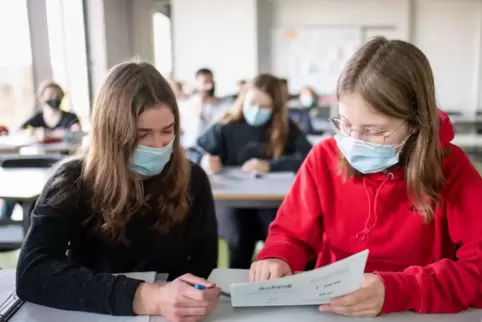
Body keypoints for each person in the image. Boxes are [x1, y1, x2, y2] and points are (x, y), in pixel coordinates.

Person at [249, 36, 482, 317]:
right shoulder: (324, 156)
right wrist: (278, 254)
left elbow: (478, 269)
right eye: (345, 124)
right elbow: (290, 232)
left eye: (374, 131)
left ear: (416, 124)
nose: (354, 141)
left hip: (416, 313)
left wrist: (402, 290)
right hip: (334, 308)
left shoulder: (451, 168)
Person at [16, 62, 220, 321]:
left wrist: (196, 297)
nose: (157, 146)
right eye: (141, 134)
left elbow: (204, 263)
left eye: (167, 131)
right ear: (112, 133)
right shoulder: (72, 181)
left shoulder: (193, 179)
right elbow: (33, 273)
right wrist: (147, 297)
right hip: (94, 312)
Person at [188, 74, 312, 269]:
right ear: (243, 99)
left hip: (269, 202)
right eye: (252, 102)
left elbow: (308, 157)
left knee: (279, 237)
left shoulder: (284, 129)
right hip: (233, 203)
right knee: (239, 239)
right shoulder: (225, 126)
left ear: (275, 108)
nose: (256, 110)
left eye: (264, 107)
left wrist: (271, 165)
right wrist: (204, 160)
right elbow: (192, 151)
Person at [178, 68, 228, 148]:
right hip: (192, 151)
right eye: (205, 82)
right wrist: (200, 107)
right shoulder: (187, 106)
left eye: (211, 81)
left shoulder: (221, 104)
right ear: (196, 83)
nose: (210, 86)